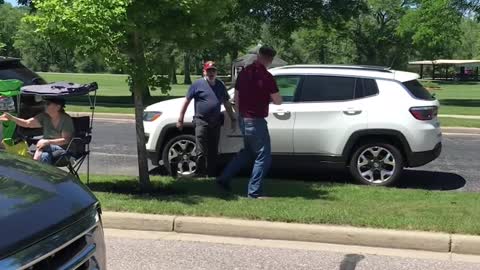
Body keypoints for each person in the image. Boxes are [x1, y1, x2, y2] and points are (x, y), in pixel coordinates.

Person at [216, 45, 283, 199]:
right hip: (257, 120)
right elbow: (278, 101)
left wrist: (239, 115)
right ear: (269, 59)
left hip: (243, 119)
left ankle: (223, 178)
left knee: (246, 152)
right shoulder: (267, 77)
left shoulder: (244, 73)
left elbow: (236, 98)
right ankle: (254, 191)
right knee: (263, 155)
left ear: (257, 55)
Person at [177, 61, 236, 177]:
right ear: (204, 72)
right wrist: (180, 119)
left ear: (216, 72)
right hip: (201, 121)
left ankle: (211, 174)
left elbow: (226, 103)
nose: (211, 73)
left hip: (216, 122)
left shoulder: (220, 85)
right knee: (201, 150)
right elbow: (186, 102)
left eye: (213, 70)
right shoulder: (197, 85)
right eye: (208, 71)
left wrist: (233, 118)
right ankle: (200, 173)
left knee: (213, 150)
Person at [0, 97, 74, 164]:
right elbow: (27, 123)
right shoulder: (44, 116)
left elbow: (66, 140)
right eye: (45, 103)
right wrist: (11, 118)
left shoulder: (66, 119)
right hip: (45, 147)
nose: (45, 105)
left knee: (41, 146)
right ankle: (40, 172)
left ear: (58, 107)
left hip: (63, 148)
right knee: (44, 155)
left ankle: (36, 164)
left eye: (48, 104)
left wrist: (47, 142)